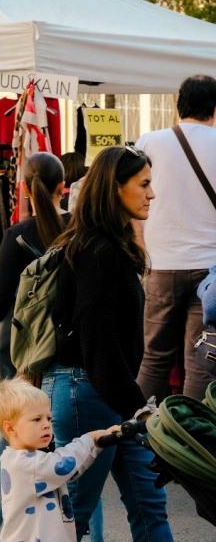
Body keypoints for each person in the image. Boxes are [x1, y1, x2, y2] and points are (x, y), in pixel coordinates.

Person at [0, 152, 104, 542]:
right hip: (73, 357)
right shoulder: (81, 230)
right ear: (62, 187)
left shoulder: (19, 236)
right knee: (81, 456)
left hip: (26, 357)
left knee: (6, 440)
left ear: (24, 188)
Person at [43, 145, 171, 541]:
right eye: (144, 184)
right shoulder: (97, 252)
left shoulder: (109, 247)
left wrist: (135, 407)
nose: (151, 194)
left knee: (149, 503)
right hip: (88, 392)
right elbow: (100, 345)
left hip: (108, 392)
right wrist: (139, 408)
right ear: (116, 187)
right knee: (74, 516)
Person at [136, 75, 216, 401]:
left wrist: (140, 248)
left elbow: (129, 202)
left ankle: (140, 425)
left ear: (178, 104)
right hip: (210, 272)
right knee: (201, 360)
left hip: (161, 264)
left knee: (154, 357)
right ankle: (189, 428)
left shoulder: (148, 142)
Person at [0, 378, 117, 542]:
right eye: (37, 419)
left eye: (48, 418)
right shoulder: (24, 463)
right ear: (10, 428)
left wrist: (96, 446)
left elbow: (69, 473)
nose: (46, 425)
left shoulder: (30, 459)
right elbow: (62, 466)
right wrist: (90, 439)